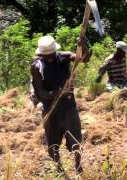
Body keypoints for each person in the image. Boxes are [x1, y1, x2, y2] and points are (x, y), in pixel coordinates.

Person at [30, 35, 90, 174]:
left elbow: (84, 58)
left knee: (75, 140)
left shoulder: (64, 57)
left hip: (69, 107)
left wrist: (83, 45)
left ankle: (78, 166)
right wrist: (56, 93)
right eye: (46, 55)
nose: (49, 57)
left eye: (51, 54)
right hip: (51, 111)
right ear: (41, 54)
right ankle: (59, 169)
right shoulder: (37, 67)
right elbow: (41, 93)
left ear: (55, 51)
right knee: (53, 145)